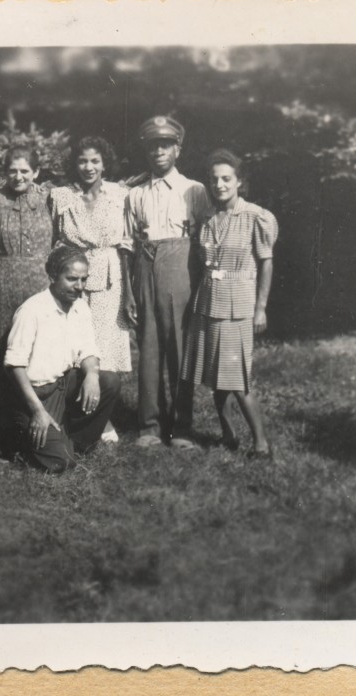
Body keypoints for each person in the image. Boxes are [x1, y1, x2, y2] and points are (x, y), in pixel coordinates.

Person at [181, 149, 277, 457]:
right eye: (214, 179)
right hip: (208, 302)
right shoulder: (207, 218)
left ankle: (261, 444)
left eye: (227, 179)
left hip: (238, 305)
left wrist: (261, 307)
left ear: (239, 182)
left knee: (237, 378)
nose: (220, 185)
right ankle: (228, 434)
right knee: (213, 373)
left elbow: (266, 264)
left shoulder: (255, 217)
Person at [125, 116, 214, 448]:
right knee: (148, 346)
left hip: (181, 262)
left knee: (179, 346)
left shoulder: (194, 190)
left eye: (165, 144)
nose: (158, 151)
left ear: (178, 148)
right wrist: (128, 291)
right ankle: (148, 425)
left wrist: (203, 281)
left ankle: (181, 426)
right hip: (144, 264)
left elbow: (207, 236)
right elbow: (127, 244)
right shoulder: (135, 194)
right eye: (152, 145)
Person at [3, 246, 122, 473]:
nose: (79, 287)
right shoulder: (32, 311)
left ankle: (75, 441)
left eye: (83, 279)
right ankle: (20, 437)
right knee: (63, 465)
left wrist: (92, 375)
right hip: (31, 396)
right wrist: (37, 411)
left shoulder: (80, 307)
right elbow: (14, 366)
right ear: (52, 277)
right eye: (71, 279)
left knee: (110, 382)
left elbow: (88, 349)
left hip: (61, 387)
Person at [49, 136, 134, 443]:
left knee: (105, 347)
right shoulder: (60, 196)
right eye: (83, 161)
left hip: (109, 281)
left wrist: (129, 294)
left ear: (104, 163)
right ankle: (68, 410)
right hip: (73, 279)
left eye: (95, 161)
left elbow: (125, 247)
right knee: (72, 344)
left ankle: (103, 415)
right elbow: (53, 241)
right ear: (75, 163)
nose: (89, 167)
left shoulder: (120, 195)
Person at [0, 147, 55, 366]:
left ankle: (43, 397)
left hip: (41, 281)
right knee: (5, 341)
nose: (18, 176)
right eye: (12, 171)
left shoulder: (47, 199)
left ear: (36, 172)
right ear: (5, 172)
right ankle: (7, 398)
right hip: (3, 283)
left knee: (40, 340)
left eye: (25, 171)